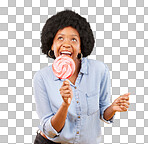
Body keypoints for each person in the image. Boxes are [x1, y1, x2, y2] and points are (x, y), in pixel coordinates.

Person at [33, 9, 130, 144]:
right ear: (52, 44)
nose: (66, 44)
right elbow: (50, 130)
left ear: (80, 46)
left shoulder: (99, 70)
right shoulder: (42, 78)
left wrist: (112, 108)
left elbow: (104, 113)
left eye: (73, 39)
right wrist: (65, 105)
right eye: (60, 38)